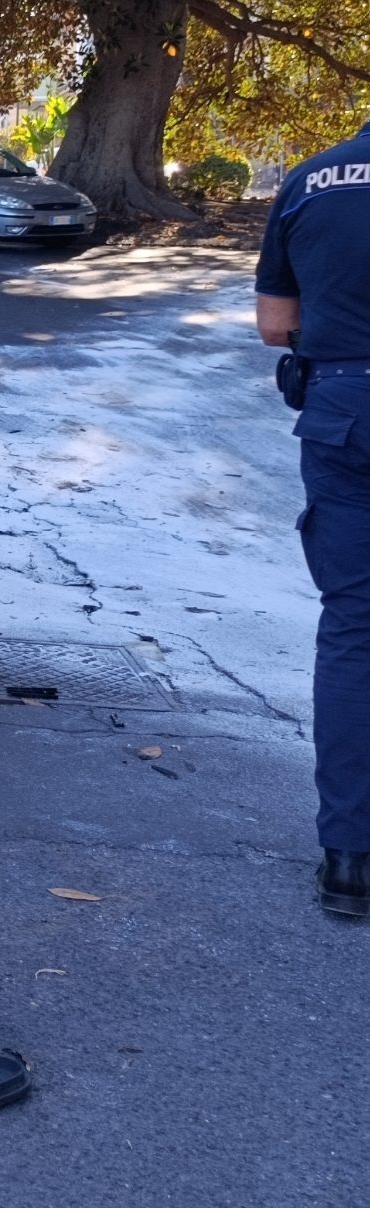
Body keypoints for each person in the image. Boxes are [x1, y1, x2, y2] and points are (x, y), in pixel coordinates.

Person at [256, 120, 370, 918]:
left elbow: (275, 324)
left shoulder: (310, 181)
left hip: (342, 415)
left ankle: (347, 863)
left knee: (353, 632)